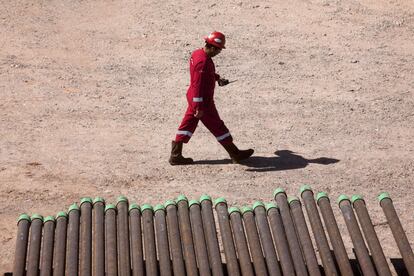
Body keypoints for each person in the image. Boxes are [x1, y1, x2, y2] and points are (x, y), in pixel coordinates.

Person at [169, 31, 254, 165]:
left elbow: (204, 77)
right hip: (203, 102)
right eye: (219, 50)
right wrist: (199, 107)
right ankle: (235, 154)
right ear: (213, 47)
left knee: (187, 125)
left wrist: (217, 78)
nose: (219, 53)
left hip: (193, 98)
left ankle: (175, 155)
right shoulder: (202, 62)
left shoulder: (198, 54)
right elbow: (198, 85)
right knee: (217, 126)